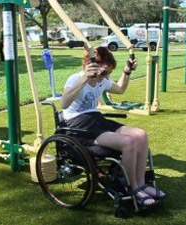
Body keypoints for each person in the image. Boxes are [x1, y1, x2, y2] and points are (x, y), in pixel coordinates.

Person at [60, 47, 165, 208]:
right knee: (128, 142)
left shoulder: (103, 80)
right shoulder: (75, 79)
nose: (105, 78)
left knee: (141, 135)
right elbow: (64, 103)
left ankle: (141, 184)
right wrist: (84, 80)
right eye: (103, 73)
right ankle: (133, 189)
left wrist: (127, 71)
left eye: (108, 74)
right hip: (79, 125)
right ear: (89, 66)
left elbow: (120, 89)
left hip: (97, 118)